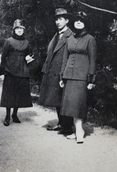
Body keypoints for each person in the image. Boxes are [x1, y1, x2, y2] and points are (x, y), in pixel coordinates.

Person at [59, 11, 97, 143]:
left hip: (82, 77)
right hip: (69, 76)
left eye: (81, 20)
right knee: (70, 105)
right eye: (76, 20)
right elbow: (65, 58)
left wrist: (91, 79)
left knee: (78, 104)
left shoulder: (90, 39)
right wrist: (62, 77)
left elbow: (93, 60)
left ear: (85, 23)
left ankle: (79, 130)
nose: (78, 22)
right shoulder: (69, 38)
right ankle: (76, 130)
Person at [38, 8, 74, 135]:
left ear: (67, 20)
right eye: (56, 19)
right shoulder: (57, 35)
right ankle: (61, 123)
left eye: (60, 19)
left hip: (63, 72)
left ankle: (68, 127)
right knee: (57, 100)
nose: (57, 22)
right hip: (52, 71)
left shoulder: (70, 35)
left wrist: (65, 74)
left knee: (64, 100)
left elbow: (71, 56)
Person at [0, 19, 33, 126]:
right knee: (9, 95)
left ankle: (15, 115)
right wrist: (2, 72)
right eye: (17, 29)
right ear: (14, 30)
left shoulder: (27, 42)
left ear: (24, 30)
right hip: (10, 71)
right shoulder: (9, 41)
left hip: (22, 72)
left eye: (21, 29)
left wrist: (30, 58)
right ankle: (7, 116)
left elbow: (29, 55)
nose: (19, 31)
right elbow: (3, 57)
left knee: (19, 95)